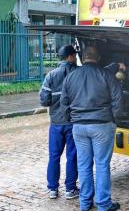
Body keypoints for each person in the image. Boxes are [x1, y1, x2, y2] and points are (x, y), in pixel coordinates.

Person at [60, 46, 124, 211]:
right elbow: (118, 100)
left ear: (82, 57)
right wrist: (113, 120)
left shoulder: (71, 76)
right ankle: (103, 204)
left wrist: (72, 119)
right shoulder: (107, 75)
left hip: (79, 127)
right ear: (99, 57)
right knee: (102, 164)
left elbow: (64, 103)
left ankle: (85, 203)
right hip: (102, 125)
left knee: (84, 165)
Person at [39, 45, 80, 199]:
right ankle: (70, 189)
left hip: (56, 124)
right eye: (75, 56)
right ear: (70, 56)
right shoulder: (78, 73)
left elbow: (44, 100)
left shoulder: (50, 76)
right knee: (72, 156)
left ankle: (53, 189)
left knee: (54, 156)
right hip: (73, 123)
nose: (75, 58)